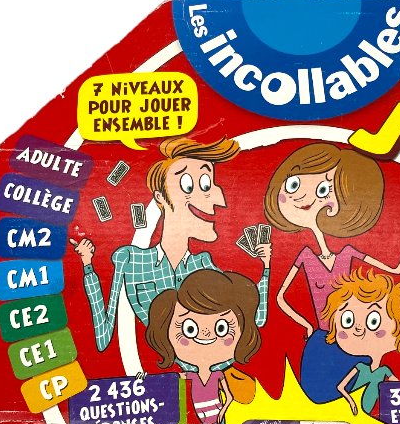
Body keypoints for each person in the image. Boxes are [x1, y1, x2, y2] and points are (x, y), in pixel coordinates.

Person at [263, 143, 400, 402]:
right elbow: (279, 297)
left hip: (355, 340)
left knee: (361, 399)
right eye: (294, 185)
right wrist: (306, 324)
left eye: (323, 190)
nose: (305, 199)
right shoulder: (305, 256)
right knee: (319, 399)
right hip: (322, 341)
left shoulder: (347, 253)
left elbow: (397, 269)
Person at [71, 136, 271, 352]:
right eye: (189, 185)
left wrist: (267, 266)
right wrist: (88, 265)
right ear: (160, 197)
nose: (219, 199)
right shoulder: (130, 260)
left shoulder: (204, 265)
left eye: (208, 184)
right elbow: (103, 336)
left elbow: (256, 319)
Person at [144, 269, 262, 424]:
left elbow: (229, 397)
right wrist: (144, 380)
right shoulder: (190, 376)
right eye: (189, 329)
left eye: (221, 328)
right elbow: (169, 381)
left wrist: (223, 411)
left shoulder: (219, 375)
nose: (206, 335)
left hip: (218, 423)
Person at [321, 268, 400, 416]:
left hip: (369, 414)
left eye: (373, 321)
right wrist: (351, 402)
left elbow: (398, 386)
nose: (358, 328)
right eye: (348, 320)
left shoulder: (384, 370)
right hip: (349, 413)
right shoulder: (360, 367)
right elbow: (341, 387)